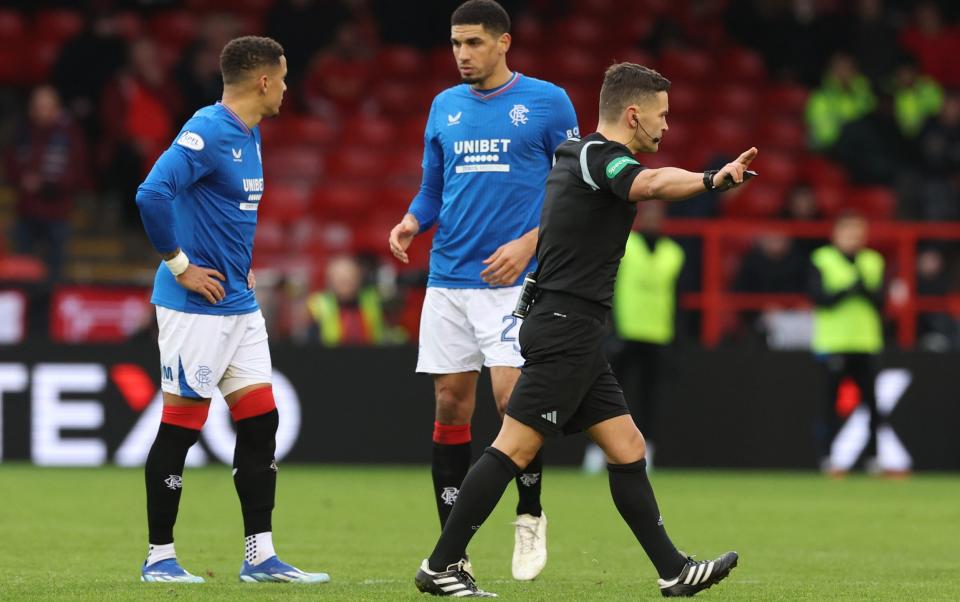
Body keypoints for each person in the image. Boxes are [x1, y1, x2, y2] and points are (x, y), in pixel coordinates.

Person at [414, 62, 753, 598]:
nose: (666, 128)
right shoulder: (599, 156)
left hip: (574, 327)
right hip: (564, 326)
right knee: (513, 448)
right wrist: (713, 179)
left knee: (626, 445)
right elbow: (650, 183)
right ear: (634, 114)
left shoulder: (579, 156)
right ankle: (441, 564)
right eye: (662, 116)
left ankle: (672, 569)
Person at [388, 0, 578, 582]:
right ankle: (455, 548)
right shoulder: (444, 106)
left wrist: (530, 244)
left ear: (503, 42)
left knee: (510, 400)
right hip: (448, 279)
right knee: (450, 401)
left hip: (511, 281)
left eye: (473, 43)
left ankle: (529, 512)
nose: (462, 55)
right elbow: (432, 188)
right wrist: (412, 221)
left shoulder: (548, 102)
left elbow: (576, 192)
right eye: (455, 44)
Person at [134, 36, 328, 584]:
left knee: (261, 418)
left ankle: (259, 556)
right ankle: (158, 558)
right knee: (181, 425)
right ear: (263, 80)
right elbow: (152, 194)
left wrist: (239, 262)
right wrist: (180, 265)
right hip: (195, 306)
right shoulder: (208, 130)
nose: (288, 88)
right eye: (285, 78)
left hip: (238, 304)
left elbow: (223, 212)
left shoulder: (251, 133)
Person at [608, 200, 684, 468]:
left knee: (649, 398)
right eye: (648, 215)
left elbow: (676, 299)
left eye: (657, 216)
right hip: (626, 332)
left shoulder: (674, 253)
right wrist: (611, 329)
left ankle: (646, 453)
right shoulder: (625, 246)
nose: (653, 221)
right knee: (613, 398)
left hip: (658, 334)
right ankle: (604, 452)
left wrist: (675, 337)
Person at [808, 213, 885, 475]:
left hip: (865, 341)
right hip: (834, 343)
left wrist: (864, 290)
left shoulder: (873, 261)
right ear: (836, 235)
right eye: (848, 234)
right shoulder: (822, 259)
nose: (853, 240)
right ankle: (827, 457)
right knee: (829, 405)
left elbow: (881, 303)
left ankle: (873, 458)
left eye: (858, 235)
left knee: (873, 406)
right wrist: (849, 289)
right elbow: (819, 298)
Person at [5, 85, 86, 284]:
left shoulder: (69, 135)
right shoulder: (22, 133)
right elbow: (10, 164)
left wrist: (46, 185)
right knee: (21, 271)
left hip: (57, 214)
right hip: (26, 213)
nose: (40, 111)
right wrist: (22, 179)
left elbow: (77, 172)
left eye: (46, 106)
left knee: (55, 274)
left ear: (56, 109)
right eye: (37, 106)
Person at [306, 254, 392, 346]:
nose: (346, 281)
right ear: (330, 280)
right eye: (340, 277)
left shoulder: (375, 300)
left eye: (350, 276)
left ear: (359, 278)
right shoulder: (317, 304)